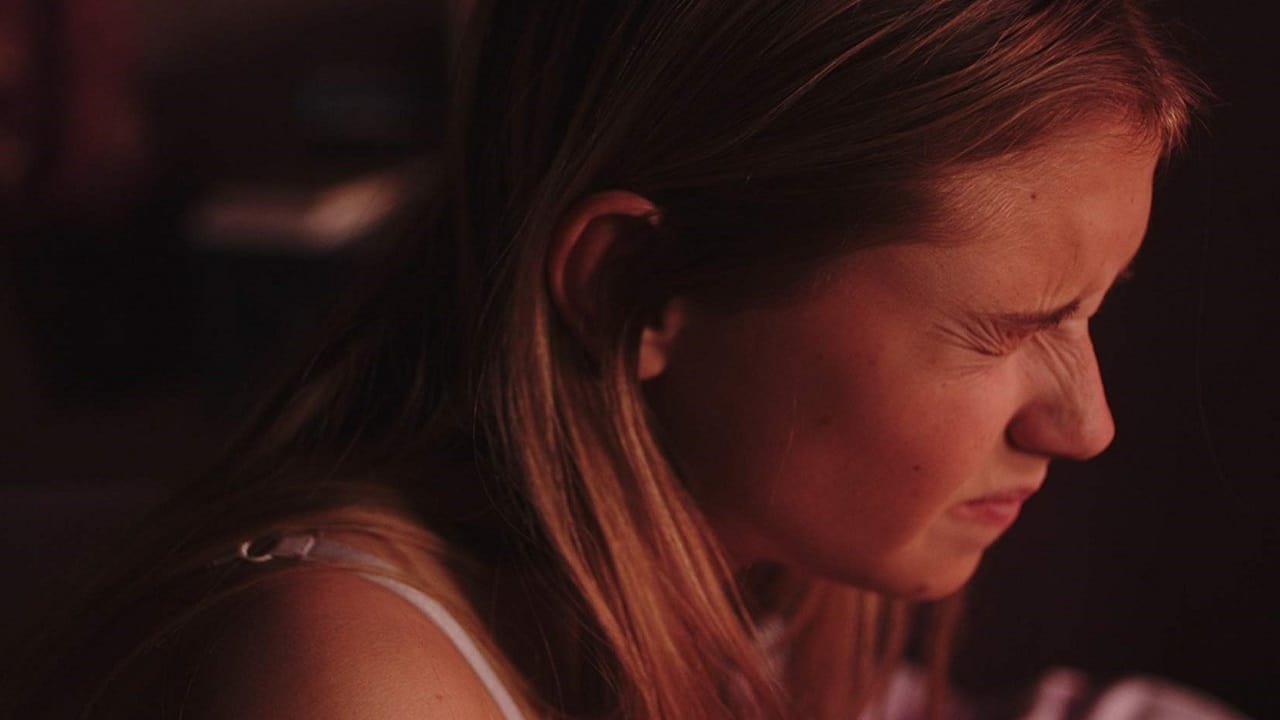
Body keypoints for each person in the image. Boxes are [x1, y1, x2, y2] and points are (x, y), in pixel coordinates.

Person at [6, 1, 1227, 719]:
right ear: (629, 284)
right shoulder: (342, 674)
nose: (1084, 425)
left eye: (1089, 312)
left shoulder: (754, 579)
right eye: (1004, 327)